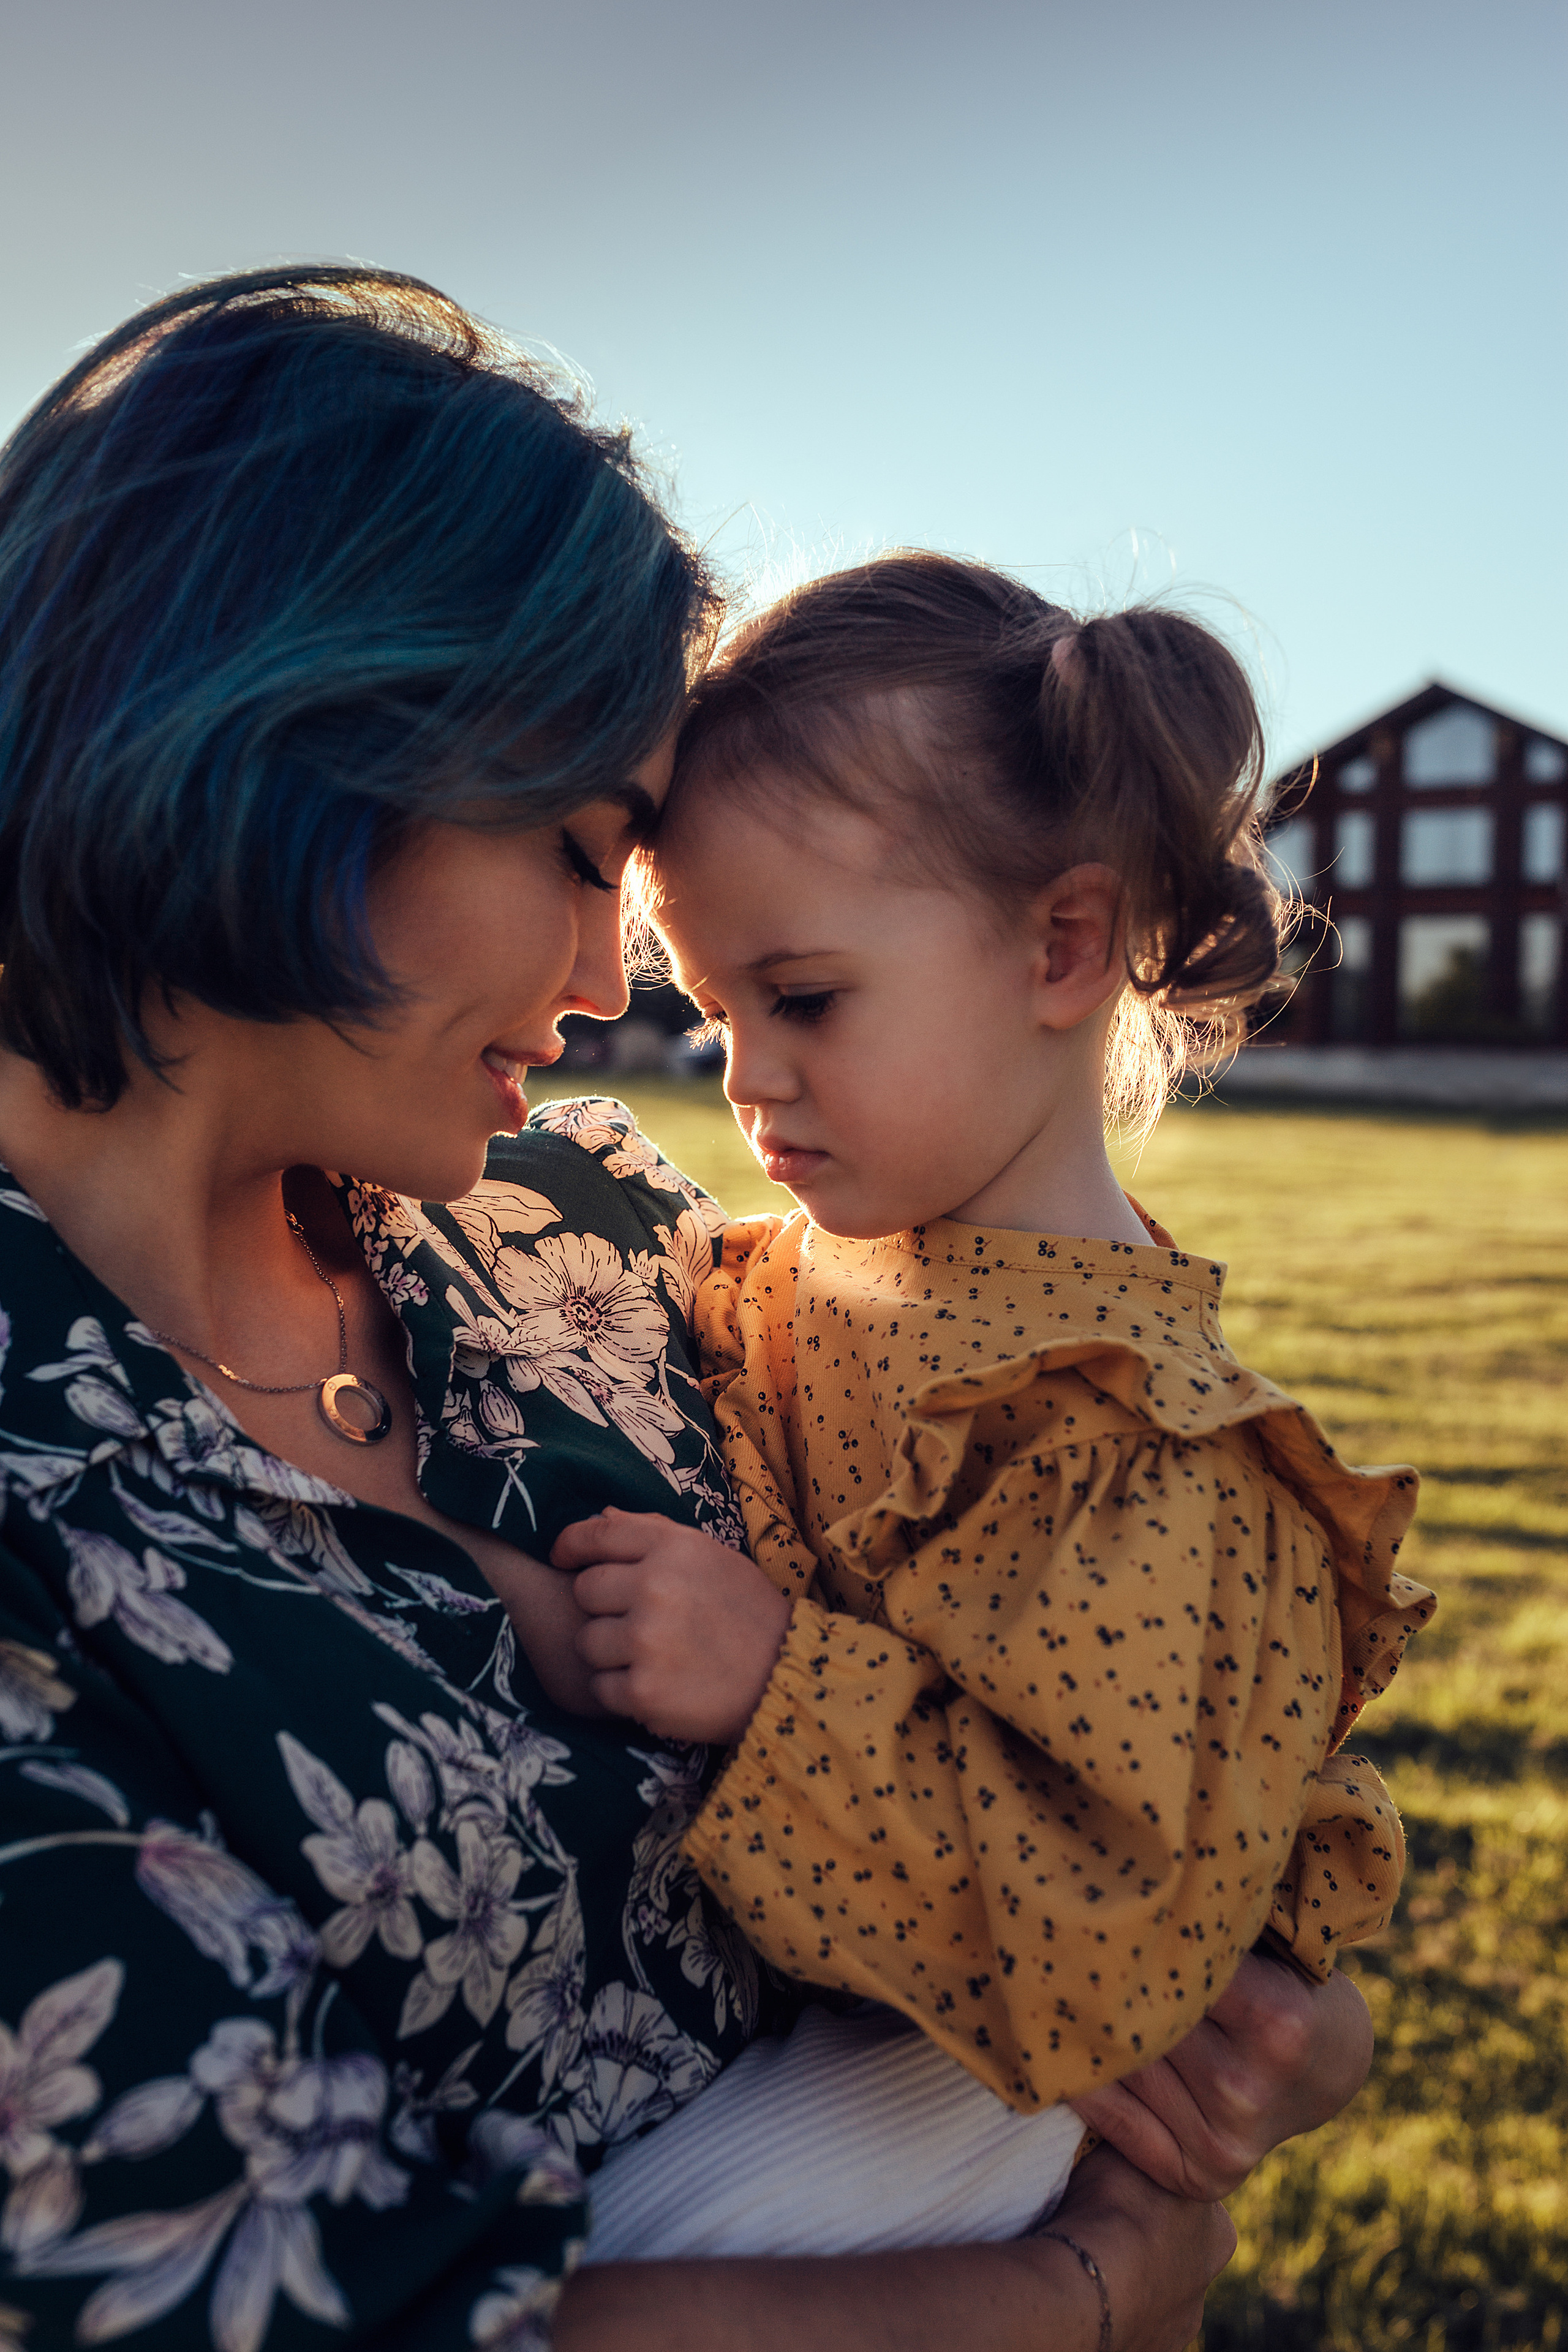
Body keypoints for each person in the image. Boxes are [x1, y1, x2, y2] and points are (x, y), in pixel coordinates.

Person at [0, 265, 1371, 2352]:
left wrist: (1270, 2022)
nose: (603, 991)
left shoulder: (597, 1228)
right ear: (293, 744)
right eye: (580, 851)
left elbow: (1113, 1789)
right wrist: (1090, 2290)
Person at [526, 557, 1434, 2258]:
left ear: (1063, 943)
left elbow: (1101, 1933)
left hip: (957, 2099)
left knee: (567, 2278)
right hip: (833, 2010)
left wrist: (777, 1681)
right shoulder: (831, 1264)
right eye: (714, 1010)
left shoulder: (1124, 1443)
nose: (745, 1077)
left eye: (803, 999)